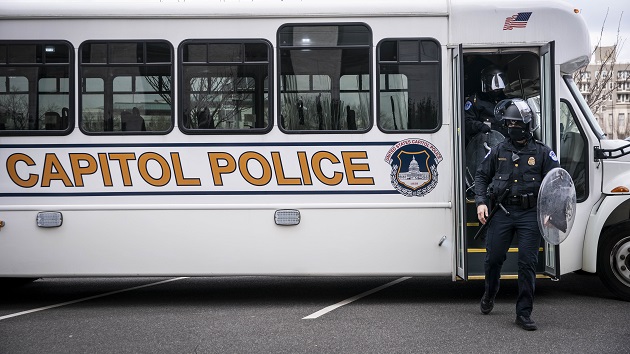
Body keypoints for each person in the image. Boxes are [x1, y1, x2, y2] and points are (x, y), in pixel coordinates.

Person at [474, 98, 559, 331]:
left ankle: (523, 313)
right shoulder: (499, 150)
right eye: (509, 124)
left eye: (516, 124)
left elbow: (557, 184)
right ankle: (490, 294)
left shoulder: (543, 153)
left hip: (530, 214)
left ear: (527, 125)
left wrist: (550, 212)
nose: (512, 128)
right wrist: (481, 202)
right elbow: (481, 176)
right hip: (501, 212)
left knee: (527, 264)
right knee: (493, 259)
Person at [464, 65, 509, 144]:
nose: (497, 90)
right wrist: (479, 126)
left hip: (504, 142)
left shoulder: (506, 101)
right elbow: (466, 122)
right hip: (482, 142)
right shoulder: (475, 101)